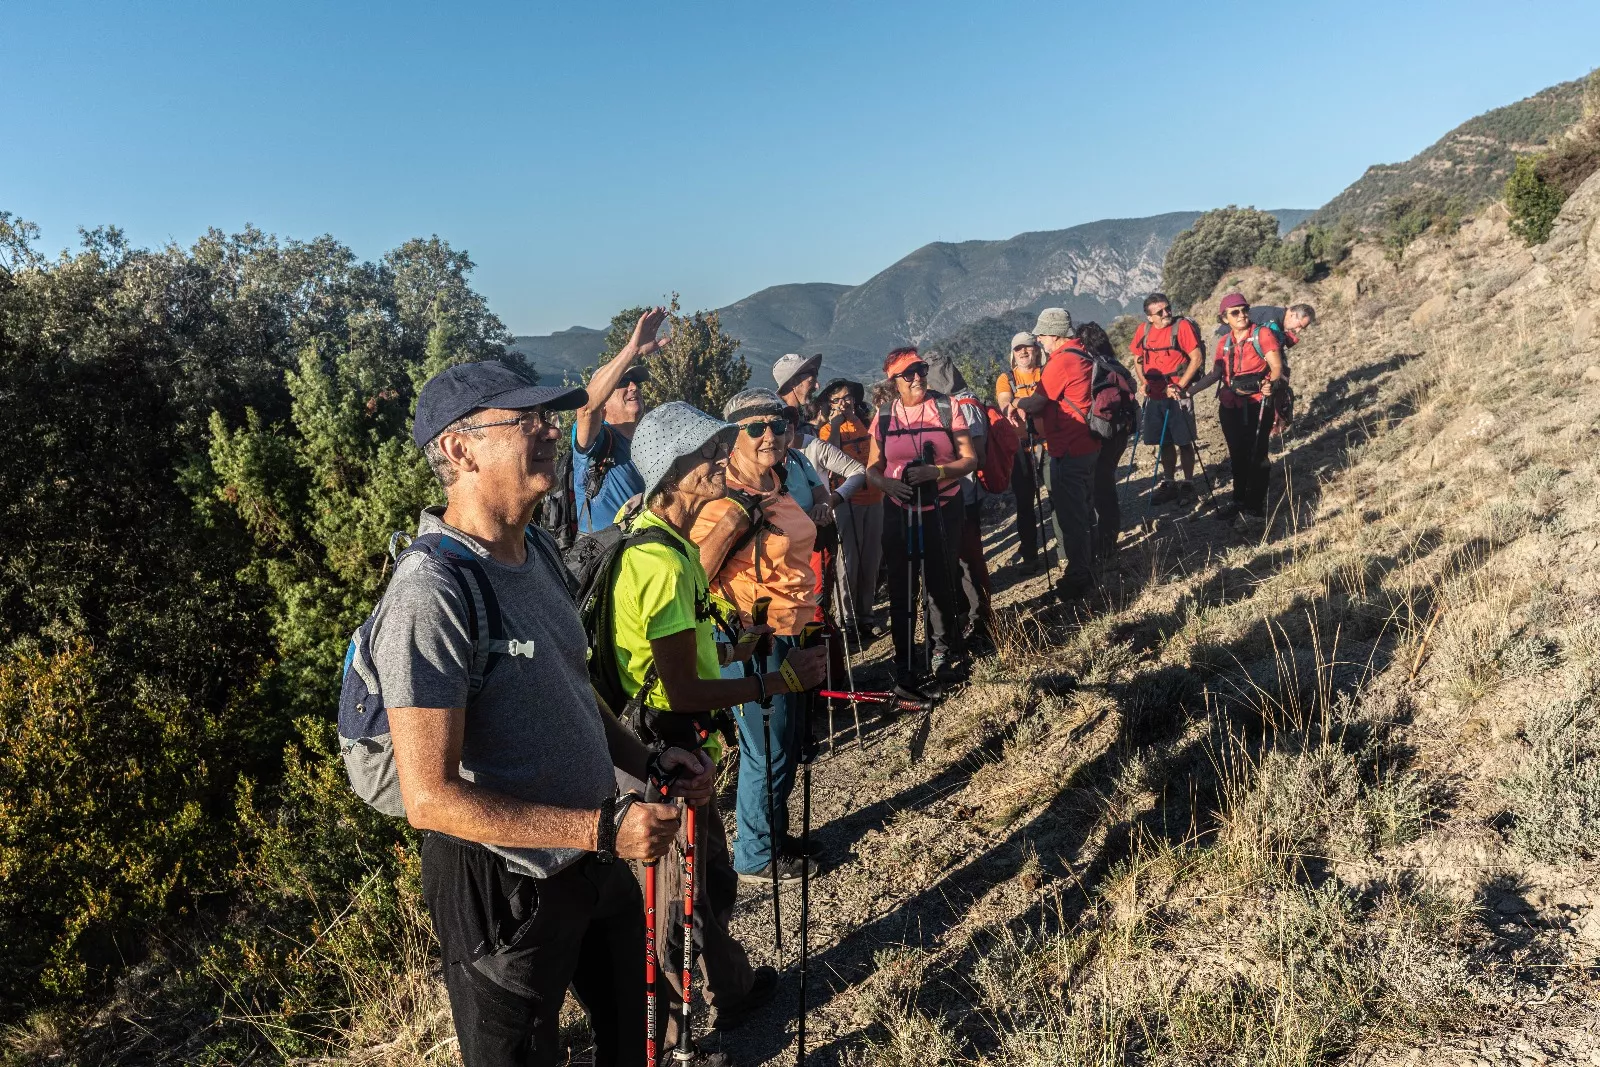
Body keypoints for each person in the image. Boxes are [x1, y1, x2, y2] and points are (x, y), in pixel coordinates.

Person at [381, 361, 716, 1067]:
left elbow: (569, 687)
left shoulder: (535, 547)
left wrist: (646, 761)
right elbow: (428, 797)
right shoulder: (431, 591)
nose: (549, 432)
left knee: (634, 1036)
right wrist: (602, 826)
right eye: (525, 421)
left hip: (593, 858)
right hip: (503, 891)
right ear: (459, 449)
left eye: (549, 418)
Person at [609, 402, 827, 1049]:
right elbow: (682, 685)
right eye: (706, 454)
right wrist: (773, 680)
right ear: (672, 472)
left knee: (709, 881)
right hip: (661, 751)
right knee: (678, 899)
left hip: (678, 745)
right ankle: (674, 1038)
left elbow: (692, 651)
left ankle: (730, 990)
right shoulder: (663, 561)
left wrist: (738, 643)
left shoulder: (672, 546)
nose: (718, 461)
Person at [693, 389, 833, 883]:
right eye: (756, 427)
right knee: (766, 747)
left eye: (778, 424)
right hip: (756, 639)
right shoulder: (725, 498)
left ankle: (773, 836)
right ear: (734, 435)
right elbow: (696, 575)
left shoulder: (777, 479)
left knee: (788, 742)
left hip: (794, 627)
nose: (770, 434)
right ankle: (754, 854)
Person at [865, 347, 980, 687]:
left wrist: (936, 472)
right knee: (901, 587)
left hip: (943, 506)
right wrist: (887, 484)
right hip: (898, 510)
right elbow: (872, 469)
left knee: (940, 582)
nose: (917, 377)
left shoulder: (947, 407)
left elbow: (970, 460)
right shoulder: (884, 417)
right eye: (908, 373)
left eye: (921, 370)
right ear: (894, 381)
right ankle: (905, 660)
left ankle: (943, 651)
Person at [1015, 309, 1099, 599]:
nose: (1038, 340)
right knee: (1085, 509)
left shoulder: (1061, 361)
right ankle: (1092, 562)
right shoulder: (1083, 353)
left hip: (1068, 447)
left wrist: (1018, 403)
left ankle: (1079, 577)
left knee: (1071, 516)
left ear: (1054, 334)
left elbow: (1039, 401)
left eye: (1041, 335)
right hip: (1088, 444)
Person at [572, 307, 669, 533]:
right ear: (603, 400)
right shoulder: (597, 441)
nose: (633, 387)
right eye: (623, 382)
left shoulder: (650, 442)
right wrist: (632, 350)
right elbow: (587, 408)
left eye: (635, 381)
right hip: (606, 559)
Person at [925, 355, 994, 653]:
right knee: (961, 562)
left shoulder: (962, 407)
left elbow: (976, 455)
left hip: (962, 496)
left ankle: (982, 623)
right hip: (957, 495)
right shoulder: (963, 403)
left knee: (968, 561)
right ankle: (971, 617)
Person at [1208, 293, 1286, 529]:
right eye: (1235, 312)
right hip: (1231, 406)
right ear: (1225, 318)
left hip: (1259, 403)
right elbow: (1216, 374)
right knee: (1237, 455)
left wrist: (1269, 384)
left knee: (1257, 454)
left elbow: (1276, 367)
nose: (1242, 315)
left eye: (1244, 310)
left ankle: (1254, 507)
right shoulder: (1224, 342)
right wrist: (1187, 391)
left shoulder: (1262, 334)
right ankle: (1239, 500)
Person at [815, 378, 885, 643]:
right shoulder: (826, 430)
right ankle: (848, 621)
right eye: (837, 399)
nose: (844, 403)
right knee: (848, 563)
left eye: (847, 397)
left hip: (874, 498)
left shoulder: (867, 422)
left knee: (870, 562)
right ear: (830, 404)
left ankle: (866, 617)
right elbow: (830, 459)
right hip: (847, 502)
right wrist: (833, 423)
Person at [1130, 293, 1204, 504]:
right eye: (1160, 312)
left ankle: (1188, 483)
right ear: (1149, 317)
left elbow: (1196, 358)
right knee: (1164, 442)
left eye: (1167, 308)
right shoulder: (1143, 331)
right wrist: (1144, 381)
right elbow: (1137, 358)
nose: (1166, 313)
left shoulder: (1181, 327)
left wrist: (1180, 386)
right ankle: (1170, 481)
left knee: (1184, 440)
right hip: (1154, 396)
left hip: (1178, 395)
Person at [1075, 321, 1132, 558]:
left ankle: (1106, 543)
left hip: (1101, 434)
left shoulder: (1090, 366)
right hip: (1120, 431)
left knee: (1101, 489)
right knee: (1106, 485)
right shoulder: (1114, 363)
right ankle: (1109, 539)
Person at [995, 332, 1046, 572]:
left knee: (1058, 496)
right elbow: (1004, 401)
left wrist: (1021, 404)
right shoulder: (1006, 378)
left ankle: (1068, 551)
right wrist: (1012, 407)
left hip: (1048, 444)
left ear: (1036, 349)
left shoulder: (1047, 372)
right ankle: (1030, 554)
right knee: (1025, 503)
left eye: (1028, 347)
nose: (1024, 352)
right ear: (1013, 354)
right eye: (1018, 349)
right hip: (1021, 448)